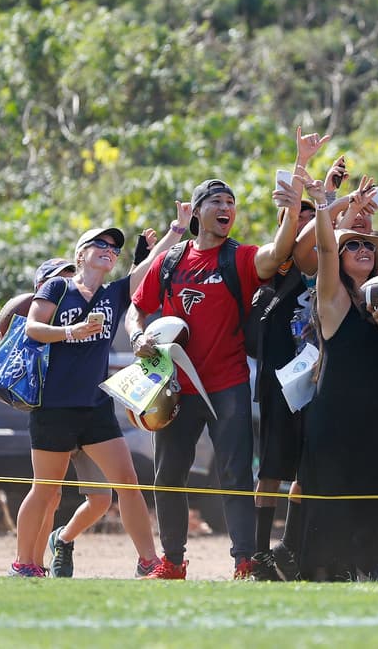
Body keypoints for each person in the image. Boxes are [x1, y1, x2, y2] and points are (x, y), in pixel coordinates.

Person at [127, 175, 301, 580]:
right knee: (168, 474)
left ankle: (243, 561)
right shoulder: (171, 261)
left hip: (227, 384)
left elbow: (277, 254)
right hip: (174, 387)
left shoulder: (238, 258)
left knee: (235, 473)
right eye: (217, 201)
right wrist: (138, 336)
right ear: (198, 211)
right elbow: (137, 307)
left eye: (231, 202)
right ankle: (171, 563)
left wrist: (292, 207)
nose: (227, 208)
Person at [11, 220, 183, 577]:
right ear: (81, 254)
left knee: (128, 485)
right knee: (45, 491)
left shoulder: (113, 294)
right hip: (54, 407)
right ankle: (23, 564)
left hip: (94, 406)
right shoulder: (59, 287)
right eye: (99, 244)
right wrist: (70, 330)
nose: (108, 250)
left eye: (113, 248)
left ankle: (148, 562)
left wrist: (177, 230)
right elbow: (32, 327)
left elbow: (146, 269)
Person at [292, 169, 378, 581]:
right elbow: (325, 251)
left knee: (377, 492)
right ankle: (326, 571)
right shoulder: (333, 297)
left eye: (368, 245)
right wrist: (324, 202)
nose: (362, 248)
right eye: (354, 245)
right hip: (335, 415)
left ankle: (375, 566)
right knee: (328, 496)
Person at [0, 257, 114, 577]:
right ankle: (30, 563)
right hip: (53, 416)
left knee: (102, 498)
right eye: (59, 279)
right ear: (42, 287)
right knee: (48, 492)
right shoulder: (37, 325)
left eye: (70, 276)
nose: (68, 283)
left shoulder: (89, 304)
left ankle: (57, 543)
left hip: (90, 415)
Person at [249, 128, 329, 581]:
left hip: (317, 374)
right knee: (274, 468)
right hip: (281, 375)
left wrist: (332, 202)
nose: (305, 221)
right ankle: (260, 552)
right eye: (297, 214)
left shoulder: (325, 252)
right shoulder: (277, 258)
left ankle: (292, 548)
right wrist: (303, 165)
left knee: (308, 465)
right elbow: (295, 250)